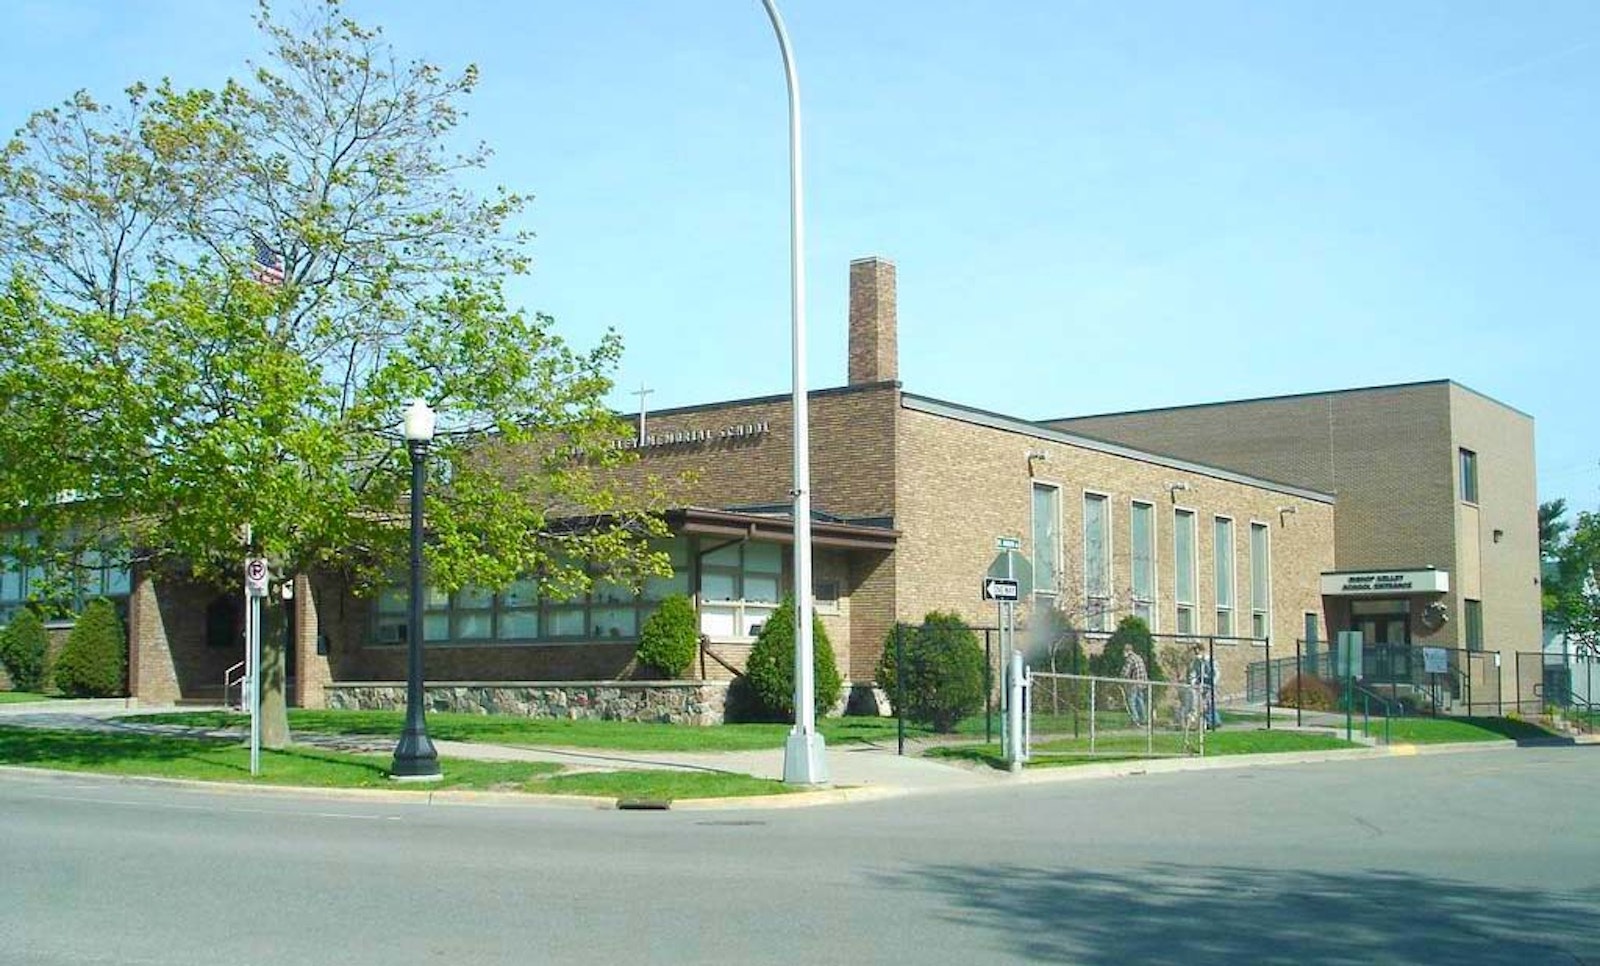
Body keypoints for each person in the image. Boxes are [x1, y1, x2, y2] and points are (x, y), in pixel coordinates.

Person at [1121, 647, 1148, 727]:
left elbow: (1125, 672)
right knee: (1140, 700)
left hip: (1134, 683)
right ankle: (1143, 719)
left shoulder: (1130, 659)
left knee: (1131, 701)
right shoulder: (1139, 657)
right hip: (1142, 682)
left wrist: (1120, 678)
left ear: (1127, 651)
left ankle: (1135, 719)